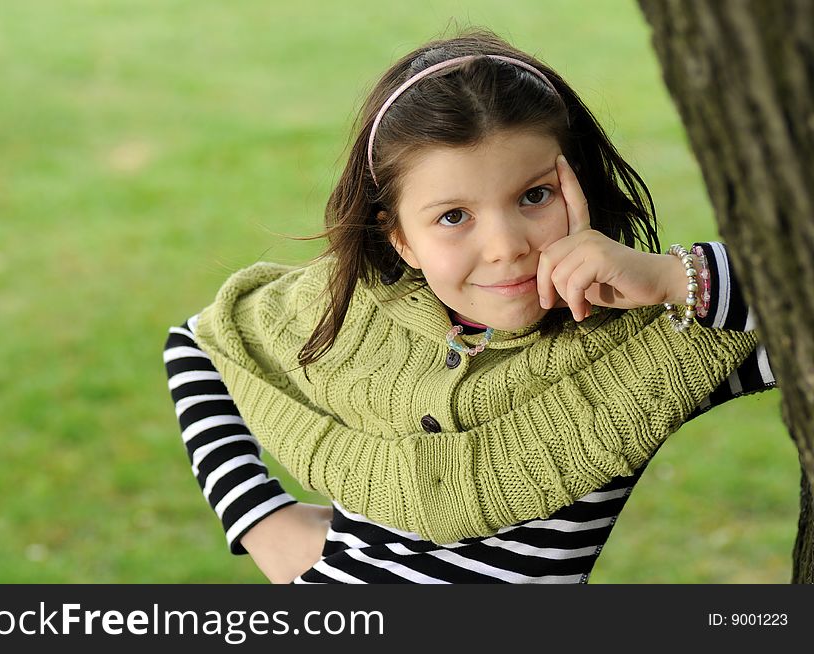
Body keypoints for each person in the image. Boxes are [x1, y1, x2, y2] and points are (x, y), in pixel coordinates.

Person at [164, 30, 775, 583]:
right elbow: (200, 345)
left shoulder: (655, 343)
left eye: (535, 195)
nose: (506, 247)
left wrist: (674, 278)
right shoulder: (351, 310)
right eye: (453, 217)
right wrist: (261, 522)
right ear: (400, 236)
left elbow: (794, 304)